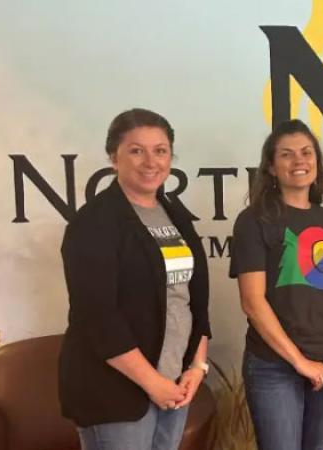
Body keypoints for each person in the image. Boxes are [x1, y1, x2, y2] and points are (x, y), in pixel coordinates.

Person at [59, 108, 211, 450]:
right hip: (117, 392)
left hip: (175, 383)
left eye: (160, 150)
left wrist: (196, 366)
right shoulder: (95, 222)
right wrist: (153, 384)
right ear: (114, 157)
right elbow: (98, 318)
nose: (150, 161)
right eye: (136, 150)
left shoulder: (173, 214)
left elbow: (192, 298)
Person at [230, 119, 323, 450]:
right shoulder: (253, 220)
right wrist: (300, 363)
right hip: (275, 367)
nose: (299, 161)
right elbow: (252, 302)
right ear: (271, 167)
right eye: (286, 155)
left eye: (306, 152)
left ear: (317, 161)